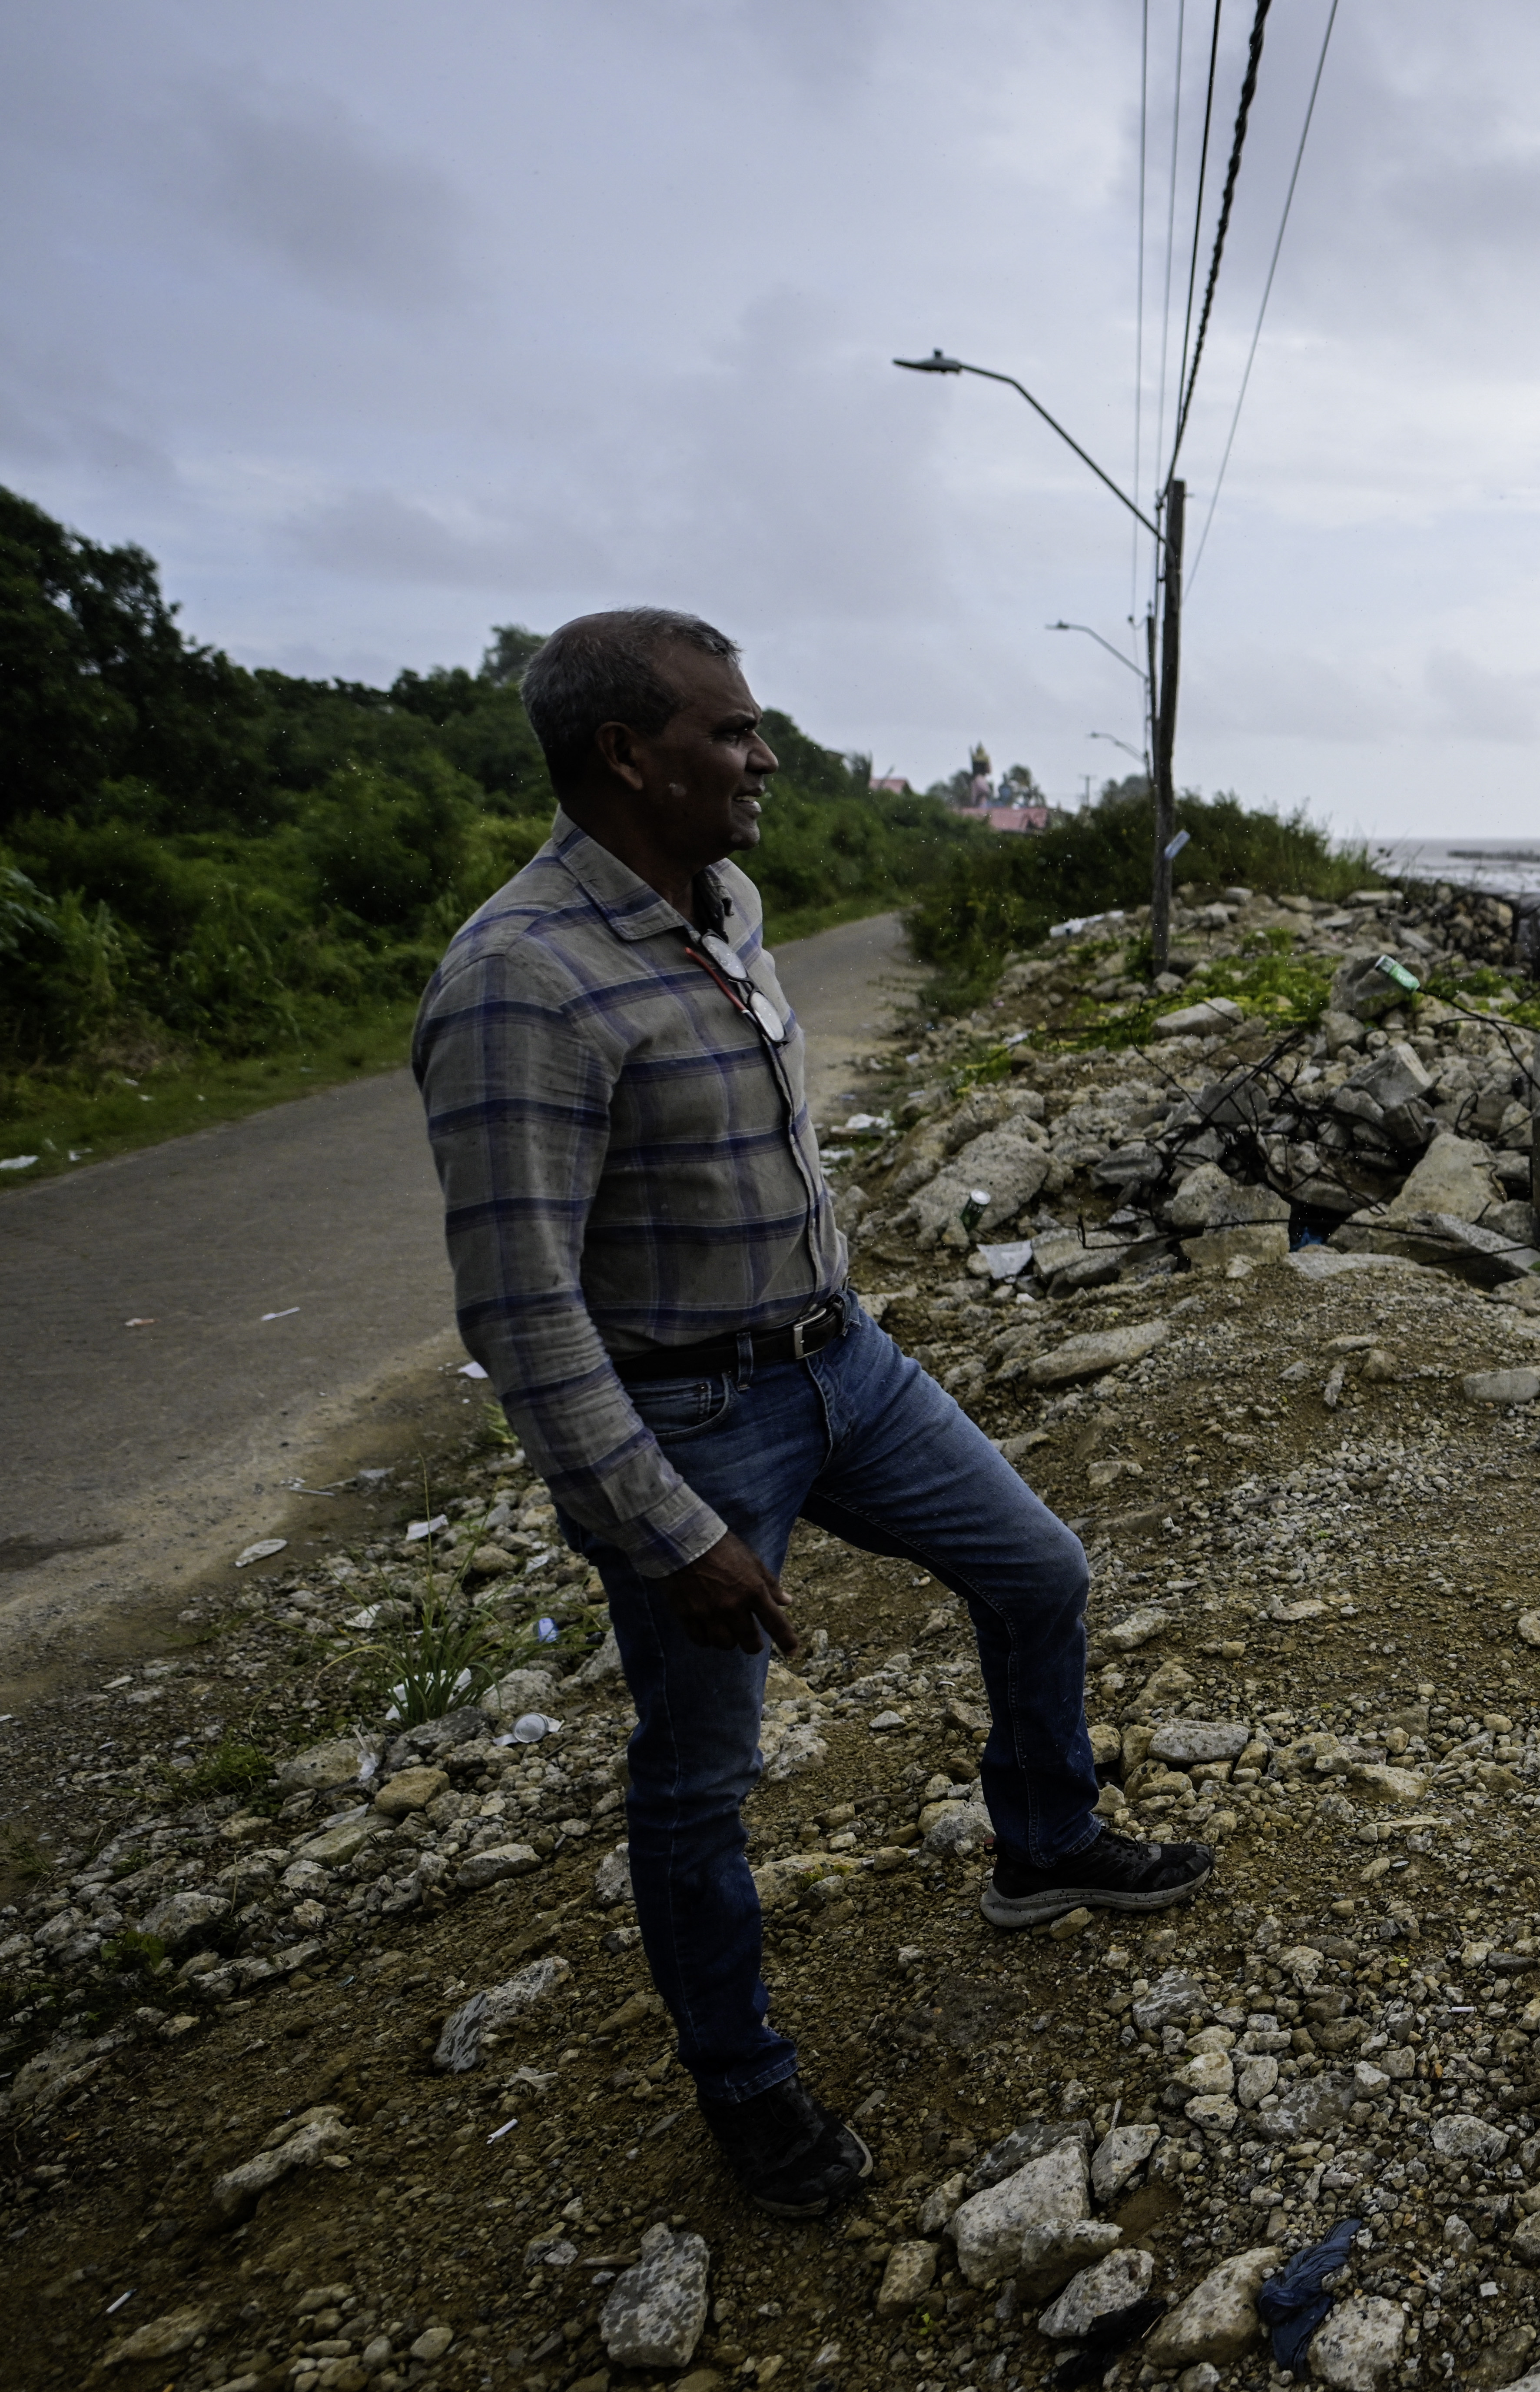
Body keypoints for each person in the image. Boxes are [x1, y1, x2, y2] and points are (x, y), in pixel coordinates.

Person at [412, 608, 1211, 2216]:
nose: (765, 755)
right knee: (700, 1780)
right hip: (693, 1418)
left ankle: (1046, 1841)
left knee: (1039, 1569)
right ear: (628, 757)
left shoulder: (725, 905)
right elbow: (519, 1310)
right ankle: (747, 2089)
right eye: (733, 733)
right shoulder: (520, 985)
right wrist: (666, 1525)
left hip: (846, 1362)